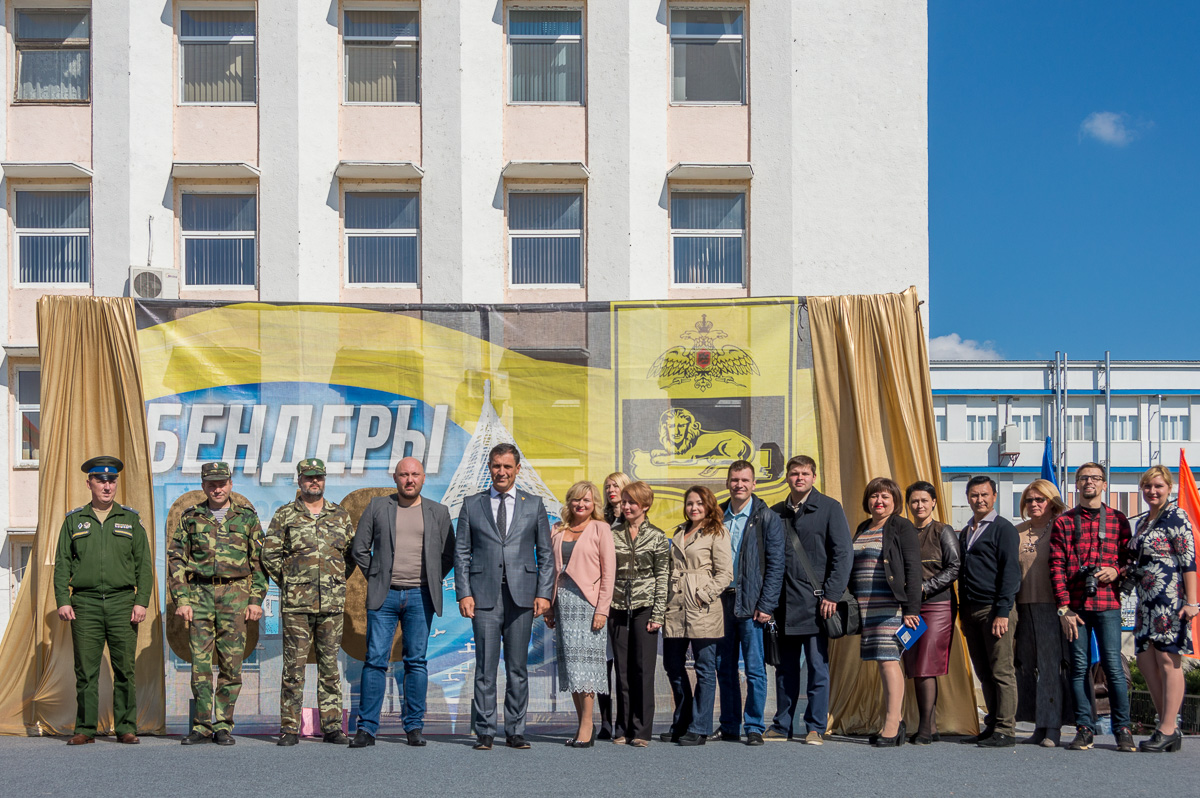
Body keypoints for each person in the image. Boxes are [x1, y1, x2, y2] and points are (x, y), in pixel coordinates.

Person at [348, 457, 454, 749]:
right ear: (395, 478)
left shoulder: (439, 512)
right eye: (404, 474)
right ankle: (367, 729)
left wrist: (431, 578)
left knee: (416, 662)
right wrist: (377, 576)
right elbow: (359, 548)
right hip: (385, 596)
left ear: (423, 478)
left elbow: (449, 554)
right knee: (375, 660)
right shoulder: (377, 507)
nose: (410, 479)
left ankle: (414, 727)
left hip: (421, 596)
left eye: (415, 474)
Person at [454, 443, 555, 751]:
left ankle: (515, 731)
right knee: (485, 668)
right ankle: (485, 731)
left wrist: (544, 594)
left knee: (517, 668)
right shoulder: (472, 504)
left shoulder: (533, 504)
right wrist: (464, 593)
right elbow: (461, 553)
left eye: (507, 466)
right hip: (484, 596)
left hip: (522, 596)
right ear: (489, 467)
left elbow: (546, 554)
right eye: (496, 466)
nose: (501, 472)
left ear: (517, 469)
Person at [53, 456, 153, 746]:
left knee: (125, 669)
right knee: (86, 670)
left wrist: (141, 601)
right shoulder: (74, 521)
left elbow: (144, 565)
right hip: (85, 604)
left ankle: (126, 727)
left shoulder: (130, 520)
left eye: (111, 480)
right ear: (90, 484)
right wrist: (63, 600)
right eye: (101, 481)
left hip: (123, 602)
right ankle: (85, 728)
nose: (107, 486)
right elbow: (62, 564)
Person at [168, 461, 267, 746]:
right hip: (199, 594)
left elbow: (259, 562)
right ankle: (201, 725)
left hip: (235, 595)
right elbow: (176, 559)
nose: (217, 489)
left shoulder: (246, 518)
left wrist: (255, 599)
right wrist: (182, 599)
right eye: (211, 484)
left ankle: (223, 725)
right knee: (200, 665)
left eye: (222, 484)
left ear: (230, 484)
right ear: (203, 486)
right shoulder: (191, 517)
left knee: (231, 665)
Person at [262, 459, 356, 747]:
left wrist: (333, 582)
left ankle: (332, 728)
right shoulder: (285, 515)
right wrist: (291, 582)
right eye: (309, 477)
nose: (314, 482)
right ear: (300, 480)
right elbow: (270, 555)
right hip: (297, 607)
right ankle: (290, 728)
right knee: (293, 668)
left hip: (331, 606)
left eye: (319, 477)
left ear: (324, 480)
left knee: (330, 669)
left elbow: (350, 556)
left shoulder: (340, 515)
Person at [1049, 462, 1135, 753]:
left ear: (1104, 484)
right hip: (1075, 607)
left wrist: (1116, 570)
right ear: (1076, 484)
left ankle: (1123, 729)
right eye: (1084, 478)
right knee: (1079, 668)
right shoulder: (1064, 522)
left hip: (1108, 604)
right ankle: (1084, 728)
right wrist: (1064, 608)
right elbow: (1056, 566)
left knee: (1113, 667)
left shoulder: (1118, 519)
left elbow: (1130, 559)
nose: (1090, 482)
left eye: (1095, 478)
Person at [766, 455, 851, 745]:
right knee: (784, 669)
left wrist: (832, 594)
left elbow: (843, 555)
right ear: (787, 477)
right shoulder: (776, 512)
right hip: (783, 605)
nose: (799, 478)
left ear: (814, 477)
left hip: (817, 605)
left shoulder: (829, 508)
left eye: (805, 473)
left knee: (817, 667)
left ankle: (815, 727)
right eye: (794, 473)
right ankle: (782, 725)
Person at [715, 460, 785, 746]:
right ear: (727, 482)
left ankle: (754, 725)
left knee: (755, 669)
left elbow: (776, 565)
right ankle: (729, 724)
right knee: (724, 667)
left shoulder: (766, 517)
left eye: (745, 480)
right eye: (734, 480)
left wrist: (767, 605)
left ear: (754, 484)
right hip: (721, 603)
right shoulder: (716, 515)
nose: (739, 485)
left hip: (752, 604)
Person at [850, 477, 921, 747]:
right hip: (866, 606)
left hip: (891, 605)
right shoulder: (863, 527)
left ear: (895, 501)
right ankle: (893, 720)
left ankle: (892, 724)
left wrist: (912, 609)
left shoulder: (901, 526)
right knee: (882, 662)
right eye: (874, 496)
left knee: (889, 660)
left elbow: (913, 569)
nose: (878, 501)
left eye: (884, 497)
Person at [545, 481, 616, 748]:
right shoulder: (557, 529)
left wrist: (602, 610)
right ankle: (582, 723)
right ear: (569, 501)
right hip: (563, 604)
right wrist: (549, 606)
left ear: (593, 503)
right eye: (576, 499)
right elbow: (549, 570)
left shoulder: (601, 528)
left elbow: (609, 573)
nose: (581, 504)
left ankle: (587, 724)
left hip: (589, 605)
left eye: (586, 500)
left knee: (586, 668)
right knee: (572, 667)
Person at [1131, 465, 1197, 753]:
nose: (1152, 491)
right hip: (1145, 601)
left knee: (1168, 660)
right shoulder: (1143, 522)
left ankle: (1167, 727)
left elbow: (1188, 560)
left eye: (1158, 486)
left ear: (1169, 488)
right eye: (1148, 486)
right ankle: (1167, 725)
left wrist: (1192, 602)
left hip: (1170, 599)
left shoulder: (1176, 516)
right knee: (1146, 661)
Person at [662, 485, 734, 746]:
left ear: (709, 505)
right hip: (675, 605)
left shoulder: (717, 532)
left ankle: (700, 726)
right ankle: (682, 720)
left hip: (702, 607)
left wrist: (704, 594)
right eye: (690, 503)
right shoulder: (679, 531)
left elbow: (725, 573)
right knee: (672, 665)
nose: (694, 508)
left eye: (699, 503)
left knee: (704, 668)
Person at [957, 475, 1021, 748]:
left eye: (984, 495)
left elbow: (1011, 572)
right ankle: (992, 723)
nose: (979, 500)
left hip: (995, 610)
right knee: (984, 672)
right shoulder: (966, 531)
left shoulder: (1003, 529)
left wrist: (1003, 611)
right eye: (974, 495)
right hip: (971, 610)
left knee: (1001, 671)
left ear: (994, 496)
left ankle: (1006, 729)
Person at [608, 481, 669, 748]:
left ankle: (642, 730)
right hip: (617, 607)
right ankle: (622, 727)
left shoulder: (657, 536)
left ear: (645, 505)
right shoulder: (612, 534)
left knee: (643, 670)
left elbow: (663, 577)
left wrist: (658, 614)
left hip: (646, 608)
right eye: (624, 501)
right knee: (622, 671)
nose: (626, 506)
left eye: (632, 502)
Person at [902, 480, 960, 745]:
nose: (919, 505)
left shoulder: (942, 531)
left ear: (934, 502)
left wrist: (924, 588)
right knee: (915, 664)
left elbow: (954, 567)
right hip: (910, 608)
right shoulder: (904, 532)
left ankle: (925, 728)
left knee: (926, 664)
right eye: (914, 501)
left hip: (937, 605)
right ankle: (931, 726)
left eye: (924, 500)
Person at [1013, 479, 1070, 747]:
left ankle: (1052, 728)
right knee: (1026, 667)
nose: (1033, 504)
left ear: (1051, 502)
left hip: (1051, 607)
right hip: (1021, 607)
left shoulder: (1061, 528)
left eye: (1040, 499)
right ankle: (1038, 725)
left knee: (1049, 668)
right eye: (1029, 500)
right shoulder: (1017, 532)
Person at [597, 471, 631, 739]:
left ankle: (624, 722)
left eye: (616, 485)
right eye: (608, 486)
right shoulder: (600, 521)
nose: (611, 490)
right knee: (602, 664)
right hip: (600, 600)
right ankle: (605, 722)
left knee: (624, 666)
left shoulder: (634, 522)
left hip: (624, 601)